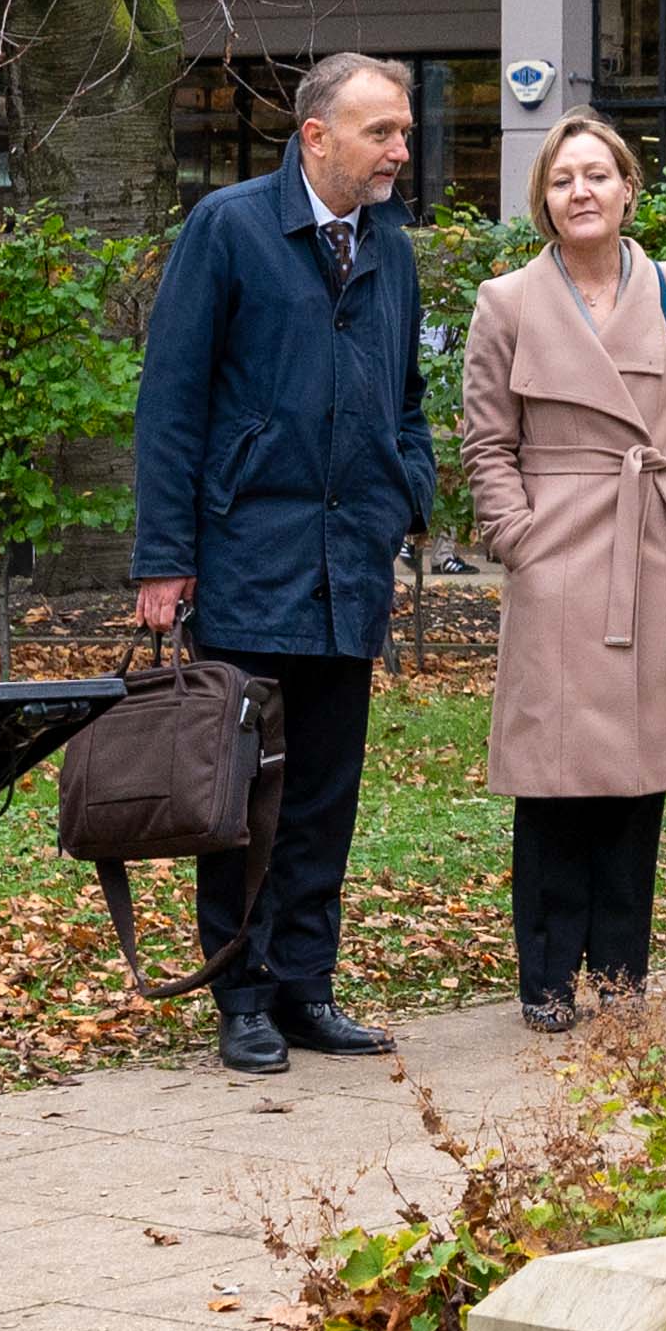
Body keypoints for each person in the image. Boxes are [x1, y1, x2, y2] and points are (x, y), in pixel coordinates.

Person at [132, 54, 433, 1075]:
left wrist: (407, 492)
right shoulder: (227, 227)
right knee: (244, 794)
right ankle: (243, 991)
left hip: (347, 565)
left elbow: (404, 401)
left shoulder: (389, 245)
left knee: (322, 795)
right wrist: (164, 556)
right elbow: (170, 400)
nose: (402, 148)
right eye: (382, 130)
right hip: (248, 561)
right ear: (315, 135)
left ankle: (306, 987)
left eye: (402, 130)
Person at [459, 113, 666, 1027]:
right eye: (560, 179)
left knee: (638, 773)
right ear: (543, 200)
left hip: (660, 543)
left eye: (596, 175)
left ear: (628, 189)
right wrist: (521, 540)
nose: (579, 192)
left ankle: (622, 976)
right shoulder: (505, 301)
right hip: (559, 554)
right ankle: (547, 981)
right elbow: (485, 442)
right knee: (554, 776)